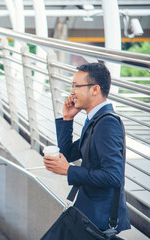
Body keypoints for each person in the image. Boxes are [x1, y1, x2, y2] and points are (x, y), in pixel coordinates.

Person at [43, 63, 131, 233]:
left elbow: (113, 177)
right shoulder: (95, 120)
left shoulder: (107, 123)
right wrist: (67, 119)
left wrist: (69, 170)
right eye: (72, 86)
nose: (72, 91)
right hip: (87, 212)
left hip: (99, 220)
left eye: (77, 86)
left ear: (95, 90)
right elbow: (68, 153)